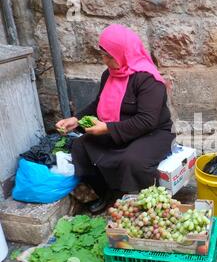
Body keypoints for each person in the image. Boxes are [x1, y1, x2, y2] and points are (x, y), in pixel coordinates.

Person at [56, 24, 175, 214]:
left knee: (132, 160)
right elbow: (98, 104)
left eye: (109, 56)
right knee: (81, 146)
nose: (105, 61)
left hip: (152, 133)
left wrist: (107, 129)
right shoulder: (109, 75)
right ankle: (103, 193)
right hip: (114, 127)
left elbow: (147, 120)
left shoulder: (148, 80)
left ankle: (142, 202)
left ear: (124, 53)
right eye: (103, 55)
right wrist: (76, 120)